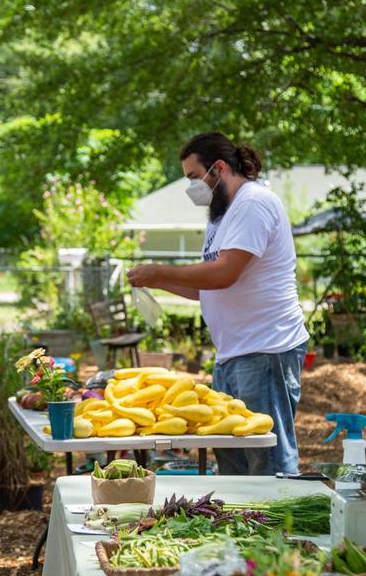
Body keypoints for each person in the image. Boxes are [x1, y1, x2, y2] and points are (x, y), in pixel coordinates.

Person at [127, 132, 308, 476]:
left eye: (195, 177)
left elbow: (224, 273)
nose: (192, 187)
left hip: (266, 348)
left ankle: (281, 526)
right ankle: (241, 526)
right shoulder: (219, 216)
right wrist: (156, 280)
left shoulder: (253, 203)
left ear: (219, 168)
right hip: (232, 353)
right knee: (231, 456)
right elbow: (207, 287)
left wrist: (160, 270)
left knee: (266, 455)